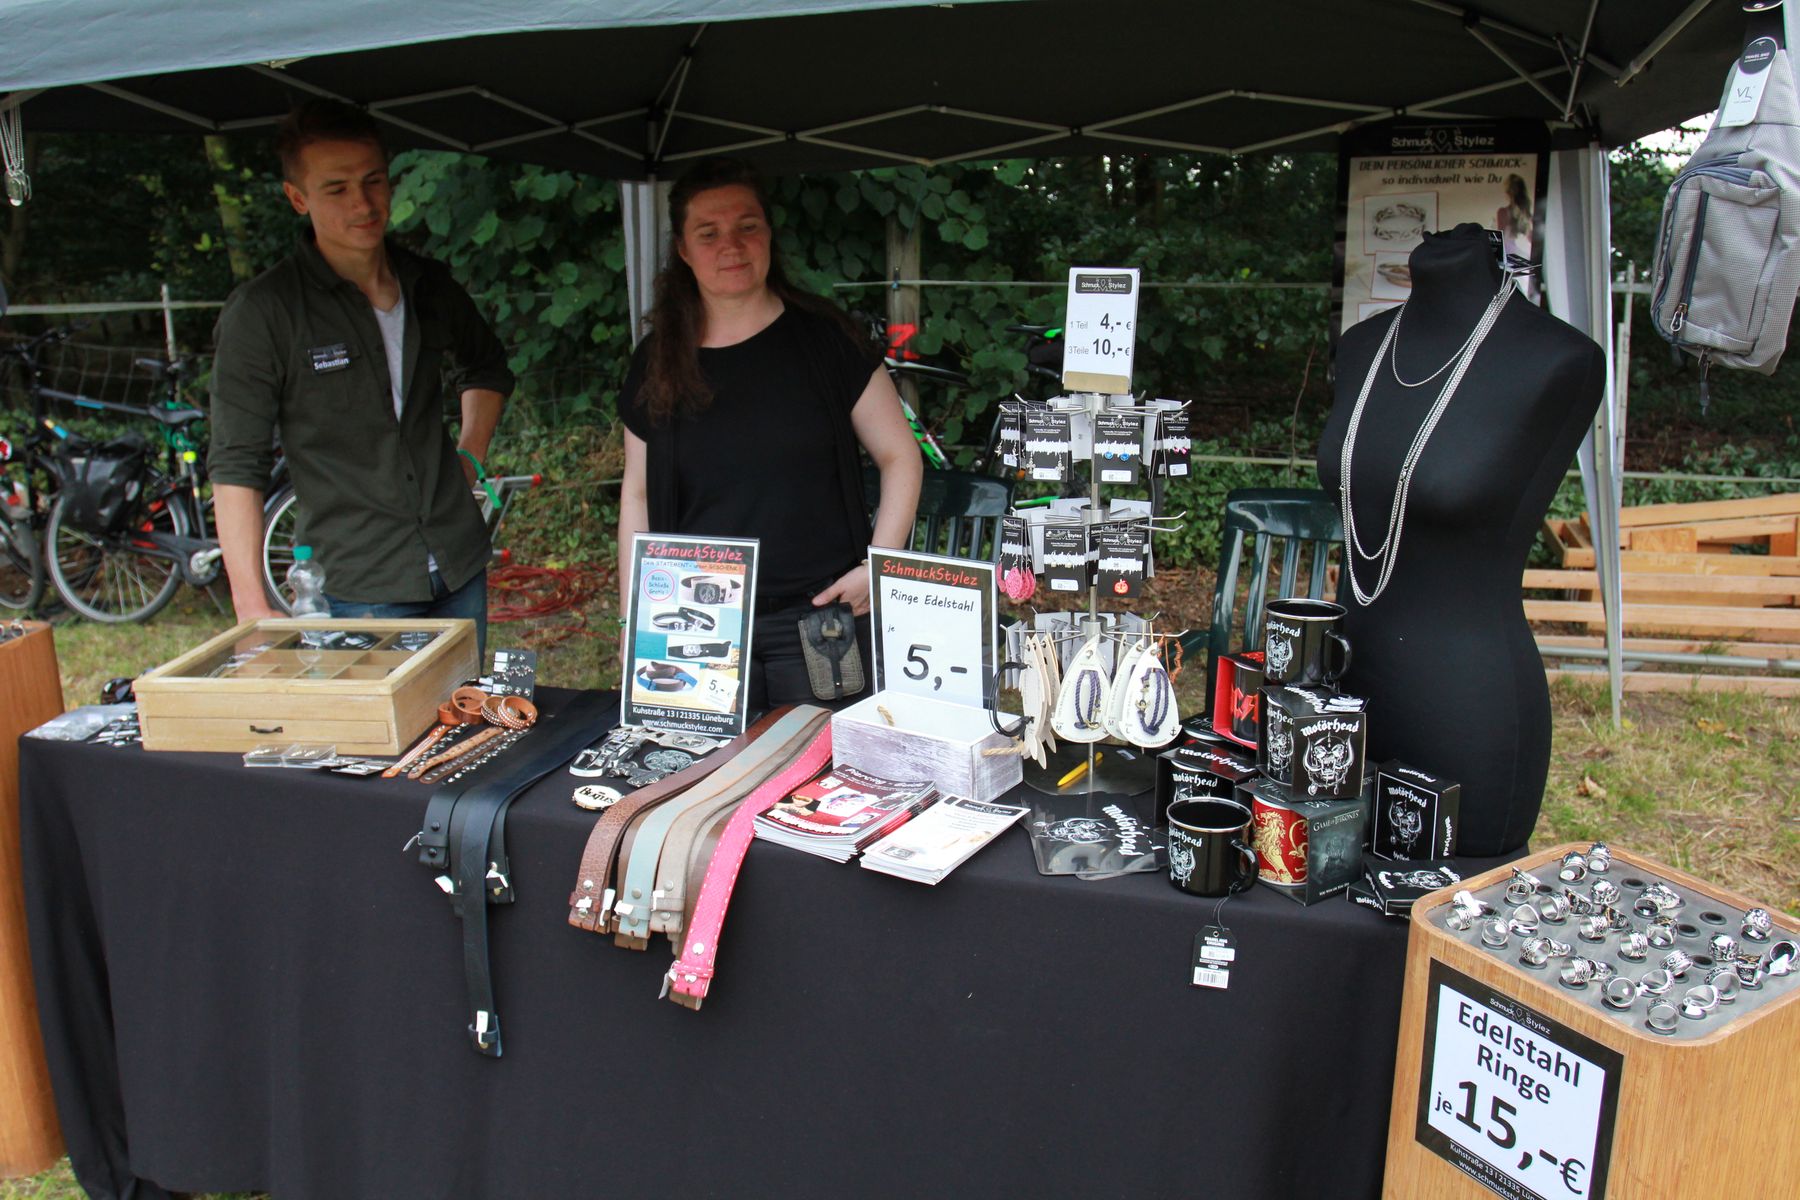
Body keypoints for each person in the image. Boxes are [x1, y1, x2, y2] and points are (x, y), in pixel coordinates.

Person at [209, 99, 514, 652]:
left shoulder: (427, 283)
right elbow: (236, 463)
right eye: (337, 188)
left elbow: (487, 365)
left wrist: (469, 457)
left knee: (468, 708)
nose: (363, 203)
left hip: (458, 560)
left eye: (373, 181)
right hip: (358, 584)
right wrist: (250, 604)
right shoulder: (265, 311)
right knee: (384, 717)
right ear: (297, 198)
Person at [618, 157, 923, 709]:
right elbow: (637, 494)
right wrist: (630, 620)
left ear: (769, 233)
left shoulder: (826, 340)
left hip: (819, 620)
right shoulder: (656, 361)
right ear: (683, 250)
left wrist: (877, 569)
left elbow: (900, 456)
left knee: (817, 765)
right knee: (700, 764)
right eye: (708, 233)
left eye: (747, 226)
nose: (731, 246)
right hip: (692, 623)